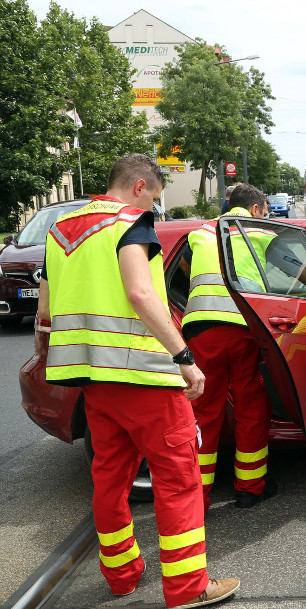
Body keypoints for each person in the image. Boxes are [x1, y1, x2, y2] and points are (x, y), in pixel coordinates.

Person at [37, 153, 239, 609]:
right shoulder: (131, 222)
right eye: (157, 197)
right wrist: (184, 357)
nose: (157, 207)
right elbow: (140, 292)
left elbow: (45, 314)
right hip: (144, 376)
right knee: (180, 478)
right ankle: (188, 588)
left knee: (109, 478)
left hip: (92, 382)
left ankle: (123, 575)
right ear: (141, 187)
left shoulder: (59, 230)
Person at [181, 183, 277, 511]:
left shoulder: (202, 231)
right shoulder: (258, 231)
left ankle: (197, 497)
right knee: (250, 404)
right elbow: (296, 270)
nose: (265, 216)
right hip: (241, 327)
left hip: (200, 328)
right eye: (265, 210)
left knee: (205, 410)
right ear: (254, 209)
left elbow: (185, 267)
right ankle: (250, 488)